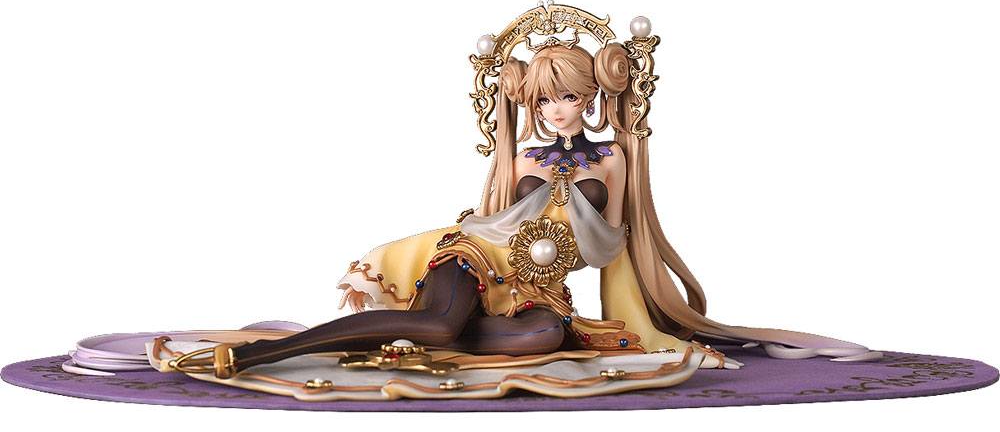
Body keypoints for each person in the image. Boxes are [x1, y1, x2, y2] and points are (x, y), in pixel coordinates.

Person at [172, 31, 878, 380]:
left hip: (538, 289)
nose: (556, 109)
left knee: (543, 339)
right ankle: (270, 353)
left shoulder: (613, 159)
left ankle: (411, 343)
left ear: (590, 97)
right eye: (544, 99)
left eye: (568, 95)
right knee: (443, 318)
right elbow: (489, 223)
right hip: (475, 258)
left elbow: (613, 249)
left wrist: (640, 329)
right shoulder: (517, 160)